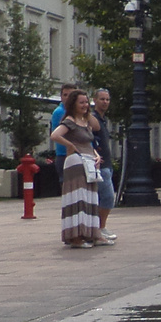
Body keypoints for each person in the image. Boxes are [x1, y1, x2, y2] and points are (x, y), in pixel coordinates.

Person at [51, 89, 103, 247]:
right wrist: (70, 145)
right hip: (76, 163)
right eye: (81, 102)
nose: (85, 105)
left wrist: (97, 155)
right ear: (73, 104)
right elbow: (55, 135)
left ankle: (91, 233)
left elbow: (90, 138)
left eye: (87, 102)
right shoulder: (70, 121)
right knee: (78, 199)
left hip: (89, 162)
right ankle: (75, 237)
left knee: (90, 199)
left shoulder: (85, 121)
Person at [91, 89, 117, 239]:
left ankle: (100, 226)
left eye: (107, 99)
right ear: (95, 100)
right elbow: (91, 140)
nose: (105, 102)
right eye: (102, 99)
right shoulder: (94, 119)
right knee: (107, 197)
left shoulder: (102, 120)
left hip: (106, 164)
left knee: (103, 197)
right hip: (100, 165)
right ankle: (100, 227)